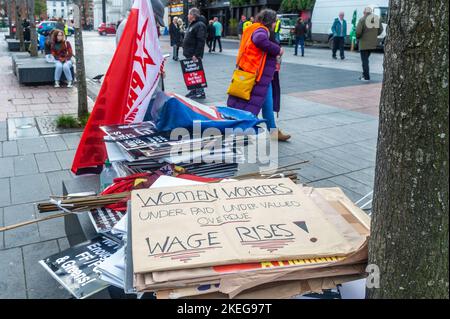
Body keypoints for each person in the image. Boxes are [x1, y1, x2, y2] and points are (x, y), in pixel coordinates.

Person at [227, 9, 291, 142]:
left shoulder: (253, 27)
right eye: (275, 22)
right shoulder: (262, 30)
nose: (275, 25)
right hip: (256, 76)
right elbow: (259, 40)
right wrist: (278, 50)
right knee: (251, 106)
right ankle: (242, 132)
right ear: (270, 21)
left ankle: (273, 132)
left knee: (266, 105)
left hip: (256, 74)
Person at [182, 7, 207, 99]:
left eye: (189, 14)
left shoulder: (199, 25)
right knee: (191, 74)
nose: (188, 16)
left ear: (193, 15)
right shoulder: (192, 24)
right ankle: (193, 90)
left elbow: (201, 41)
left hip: (194, 55)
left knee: (197, 73)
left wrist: (196, 55)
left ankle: (200, 92)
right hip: (189, 54)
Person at [356, 7, 383, 81]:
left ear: (365, 12)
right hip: (372, 43)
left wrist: (358, 37)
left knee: (364, 61)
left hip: (364, 44)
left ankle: (366, 77)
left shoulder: (362, 20)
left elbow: (358, 32)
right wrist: (374, 35)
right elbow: (381, 30)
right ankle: (364, 74)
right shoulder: (376, 19)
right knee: (366, 60)